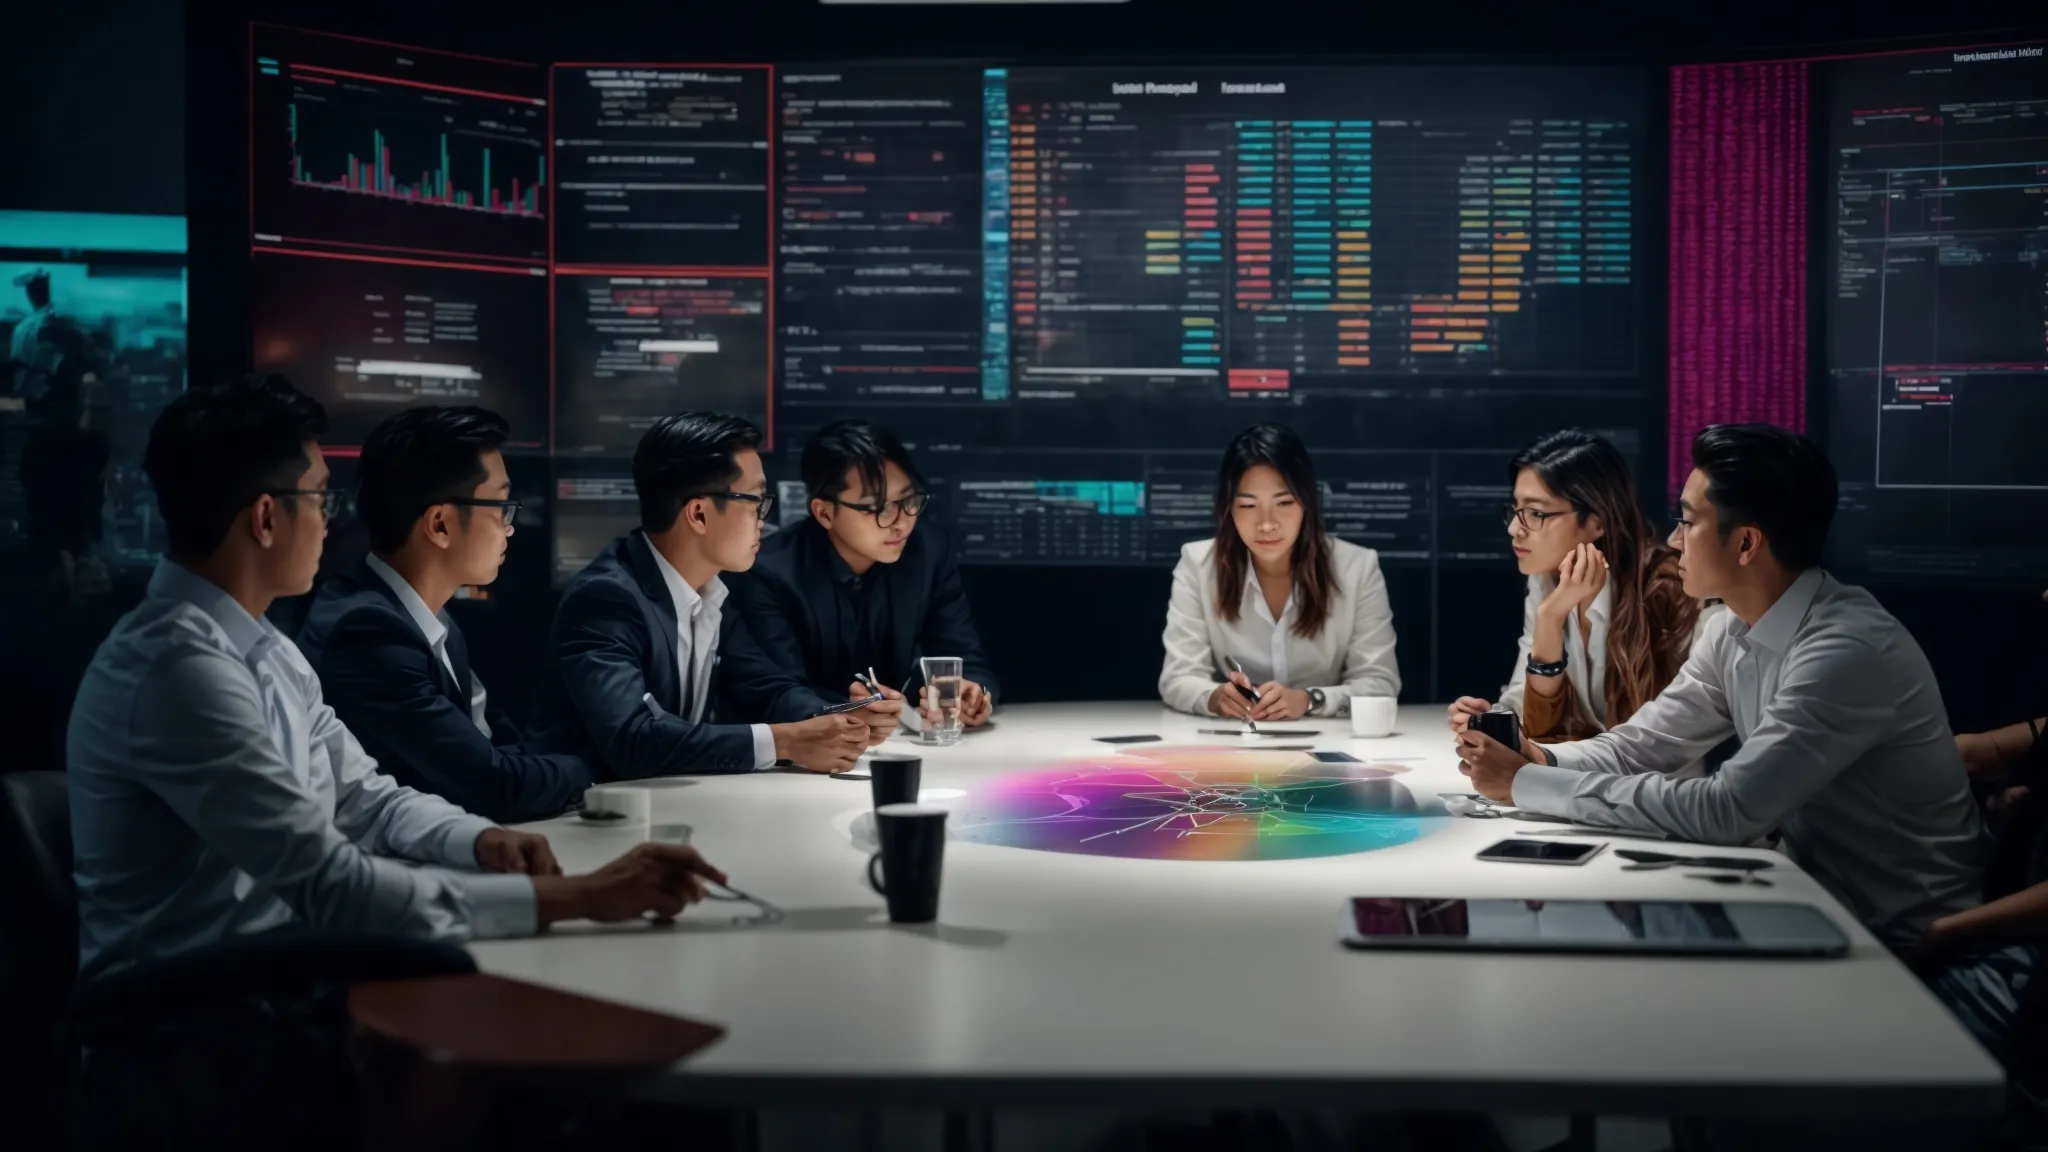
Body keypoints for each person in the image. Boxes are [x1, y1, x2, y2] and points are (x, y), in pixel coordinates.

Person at [66, 376, 726, 979]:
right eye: (319, 499)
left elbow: (365, 799)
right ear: (266, 518)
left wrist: (481, 841)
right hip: (200, 1022)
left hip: (280, 978)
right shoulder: (180, 672)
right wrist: (577, 896)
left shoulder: (262, 645)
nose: (331, 522)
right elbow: (329, 883)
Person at [1455, 423, 1988, 950]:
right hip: (1817, 911)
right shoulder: (1734, 629)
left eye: (1687, 523)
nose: (1671, 540)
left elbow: (1727, 810)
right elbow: (1645, 744)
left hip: (1919, 948)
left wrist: (1527, 782)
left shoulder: (1845, 650)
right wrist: (1539, 760)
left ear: (1747, 543)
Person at [529, 412, 876, 779]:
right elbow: (633, 739)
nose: (764, 520)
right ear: (698, 514)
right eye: (756, 501)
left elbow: (763, 686)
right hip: (577, 817)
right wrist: (783, 742)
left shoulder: (711, 589)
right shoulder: (607, 599)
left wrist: (836, 718)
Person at [296, 407, 594, 825]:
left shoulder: (428, 617)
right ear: (440, 524)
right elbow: (494, 784)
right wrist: (589, 768)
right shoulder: (366, 633)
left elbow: (502, 742)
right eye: (501, 507)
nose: (511, 527)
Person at [1447, 430, 1721, 771]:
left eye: (1535, 513)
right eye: (1515, 511)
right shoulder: (1547, 582)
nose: (1514, 530)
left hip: (1659, 798)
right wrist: (1493, 718)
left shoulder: (1671, 592)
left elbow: (1658, 745)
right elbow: (1530, 715)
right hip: (1582, 785)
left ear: (1598, 522)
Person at [728, 419, 995, 738]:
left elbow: (967, 659)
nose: (901, 522)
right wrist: (845, 709)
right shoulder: (769, 571)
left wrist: (972, 694)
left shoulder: (928, 553)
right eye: (878, 508)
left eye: (909, 501)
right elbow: (775, 692)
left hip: (904, 746)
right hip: (807, 757)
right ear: (825, 513)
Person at [1159, 423, 1399, 721]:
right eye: (1248, 505)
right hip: (1234, 743)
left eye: (1284, 503)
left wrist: (1311, 700)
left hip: (1330, 743)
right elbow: (1178, 677)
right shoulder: (1198, 564)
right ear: (1228, 509)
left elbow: (1380, 684)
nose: (1267, 524)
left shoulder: (1356, 568)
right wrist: (1216, 698)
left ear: (1306, 502)